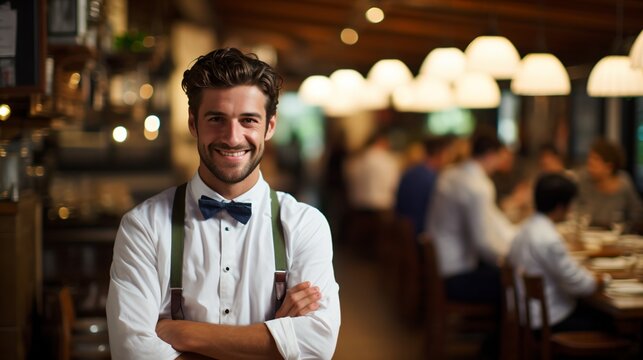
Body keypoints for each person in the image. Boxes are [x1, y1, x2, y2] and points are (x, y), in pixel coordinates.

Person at [106, 48, 340, 359]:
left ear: (269, 126)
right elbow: (132, 352)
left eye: (248, 120)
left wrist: (181, 333)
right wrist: (276, 343)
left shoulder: (304, 225)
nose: (232, 137)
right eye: (217, 119)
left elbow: (317, 345)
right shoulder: (144, 226)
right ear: (194, 124)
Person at [508, 173, 608, 331]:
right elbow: (578, 284)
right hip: (550, 319)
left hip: (528, 315)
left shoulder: (525, 228)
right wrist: (601, 280)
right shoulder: (549, 238)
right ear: (561, 207)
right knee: (607, 323)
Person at [426, 129, 516, 304]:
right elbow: (483, 243)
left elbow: (493, 218)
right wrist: (511, 256)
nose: (499, 164)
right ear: (490, 155)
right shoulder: (478, 186)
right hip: (455, 273)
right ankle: (496, 332)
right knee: (511, 283)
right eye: (500, 157)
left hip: (440, 265)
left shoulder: (451, 173)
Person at [575, 138, 643, 233]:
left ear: (609, 167)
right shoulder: (584, 179)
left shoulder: (624, 184)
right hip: (588, 237)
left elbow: (637, 216)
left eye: (595, 159)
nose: (589, 163)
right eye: (589, 158)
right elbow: (575, 210)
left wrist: (624, 228)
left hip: (616, 239)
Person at [395, 134, 454, 236]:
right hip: (422, 236)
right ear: (441, 153)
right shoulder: (433, 179)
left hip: (403, 235)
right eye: (448, 153)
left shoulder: (409, 173)